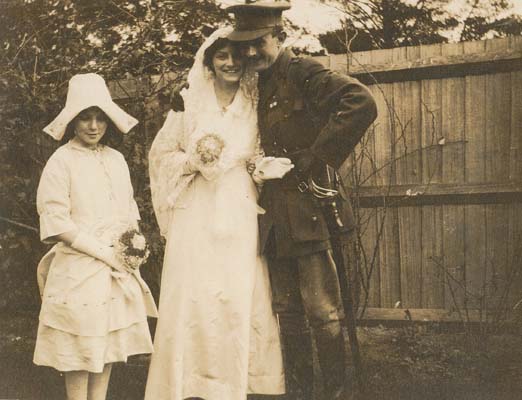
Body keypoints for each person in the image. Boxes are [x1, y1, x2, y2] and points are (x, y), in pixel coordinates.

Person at [226, 2, 379, 399]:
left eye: (258, 42)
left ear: (279, 35)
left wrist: (313, 160)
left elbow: (361, 102)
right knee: (288, 315)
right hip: (275, 216)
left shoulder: (304, 72)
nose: (251, 53)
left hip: (309, 209)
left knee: (323, 313)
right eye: (244, 46)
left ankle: (334, 393)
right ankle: (299, 391)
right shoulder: (257, 84)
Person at [145, 27, 291, 400]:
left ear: (246, 59)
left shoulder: (255, 99)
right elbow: (161, 155)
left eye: (236, 56)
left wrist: (262, 168)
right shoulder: (188, 103)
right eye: (221, 56)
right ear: (209, 62)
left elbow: (257, 152)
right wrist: (194, 160)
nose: (230, 63)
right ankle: (189, 382)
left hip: (239, 206)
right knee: (195, 292)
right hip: (197, 208)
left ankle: (234, 383)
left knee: (234, 292)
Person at [33, 73, 158, 400]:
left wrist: (131, 248)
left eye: (100, 118)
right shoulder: (61, 161)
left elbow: (128, 208)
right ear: (73, 121)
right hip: (80, 266)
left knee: (108, 346)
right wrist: (103, 252)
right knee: (79, 348)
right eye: (85, 118)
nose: (93, 126)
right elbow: (57, 222)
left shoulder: (115, 160)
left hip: (116, 269)